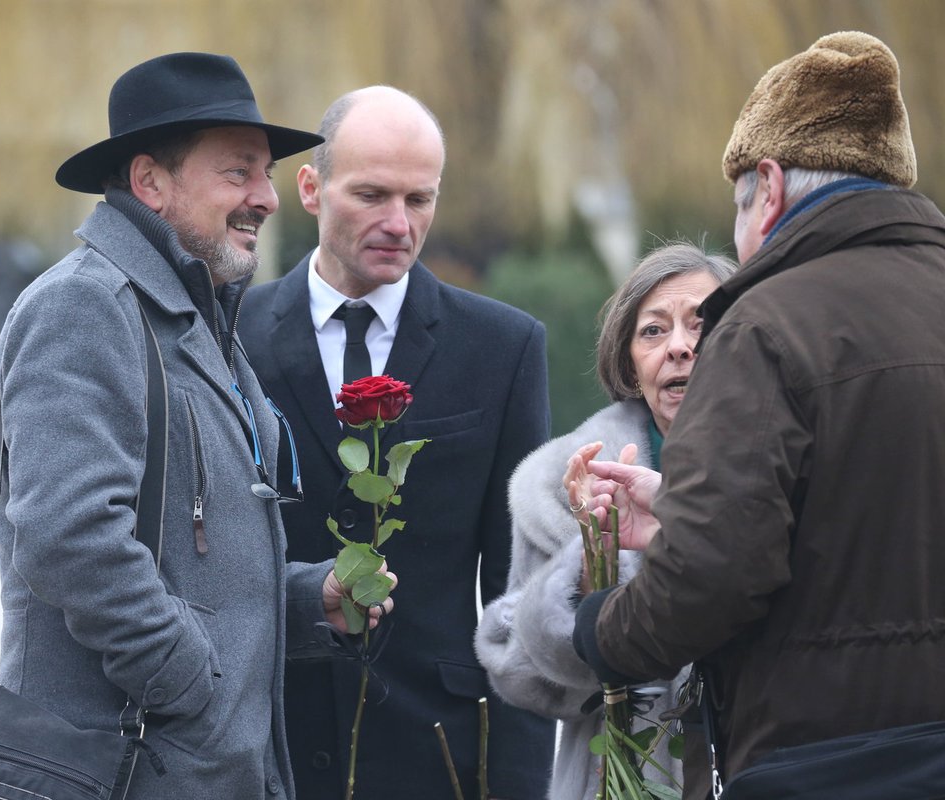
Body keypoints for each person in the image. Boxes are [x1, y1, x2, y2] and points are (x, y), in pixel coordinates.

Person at [0, 52, 394, 800]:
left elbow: (197, 562)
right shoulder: (86, 308)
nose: (268, 198)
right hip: (126, 772)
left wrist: (308, 603)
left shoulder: (191, 318)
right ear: (150, 183)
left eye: (266, 174)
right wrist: (189, 681)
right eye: (238, 173)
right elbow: (69, 538)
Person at [569, 31, 945, 799]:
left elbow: (713, 580)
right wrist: (680, 505)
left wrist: (600, 628)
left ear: (766, 188)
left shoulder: (764, 325)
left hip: (823, 759)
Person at [238, 86, 555, 799]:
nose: (399, 223)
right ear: (311, 189)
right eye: (373, 195)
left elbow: (520, 594)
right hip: (265, 749)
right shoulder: (228, 339)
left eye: (420, 199)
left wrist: (519, 784)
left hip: (438, 756)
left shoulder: (503, 348)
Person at [475, 242, 735, 799]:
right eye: (653, 331)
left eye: (702, 325)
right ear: (628, 362)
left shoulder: (786, 464)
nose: (680, 348)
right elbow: (514, 666)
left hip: (762, 765)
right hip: (620, 778)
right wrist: (594, 565)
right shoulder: (565, 482)